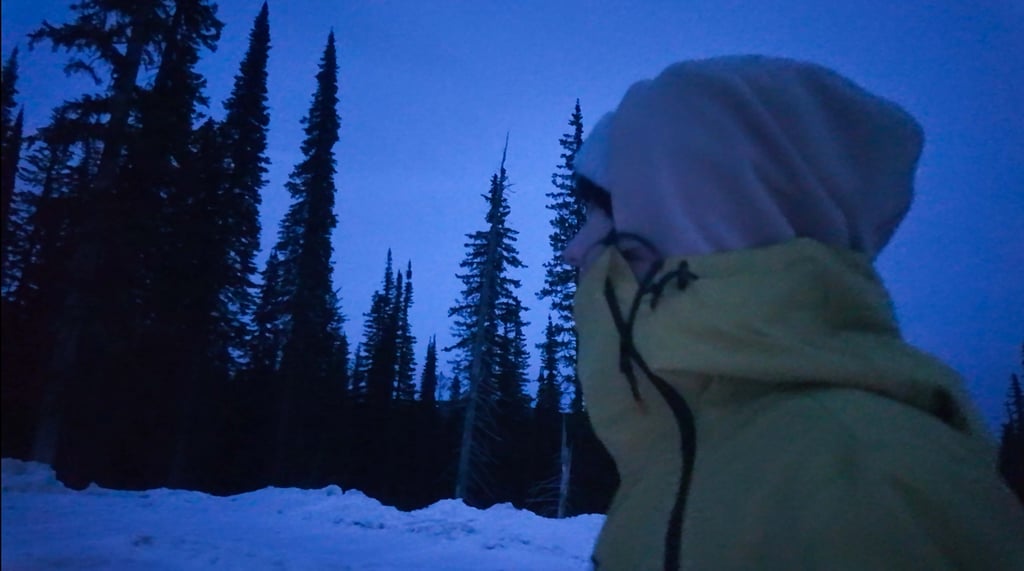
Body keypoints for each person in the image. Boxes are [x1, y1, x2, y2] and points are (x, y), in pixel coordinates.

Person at [562, 56, 1024, 570]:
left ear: (690, 222)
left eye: (596, 217)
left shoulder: (868, 477)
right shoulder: (691, 449)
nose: (573, 249)